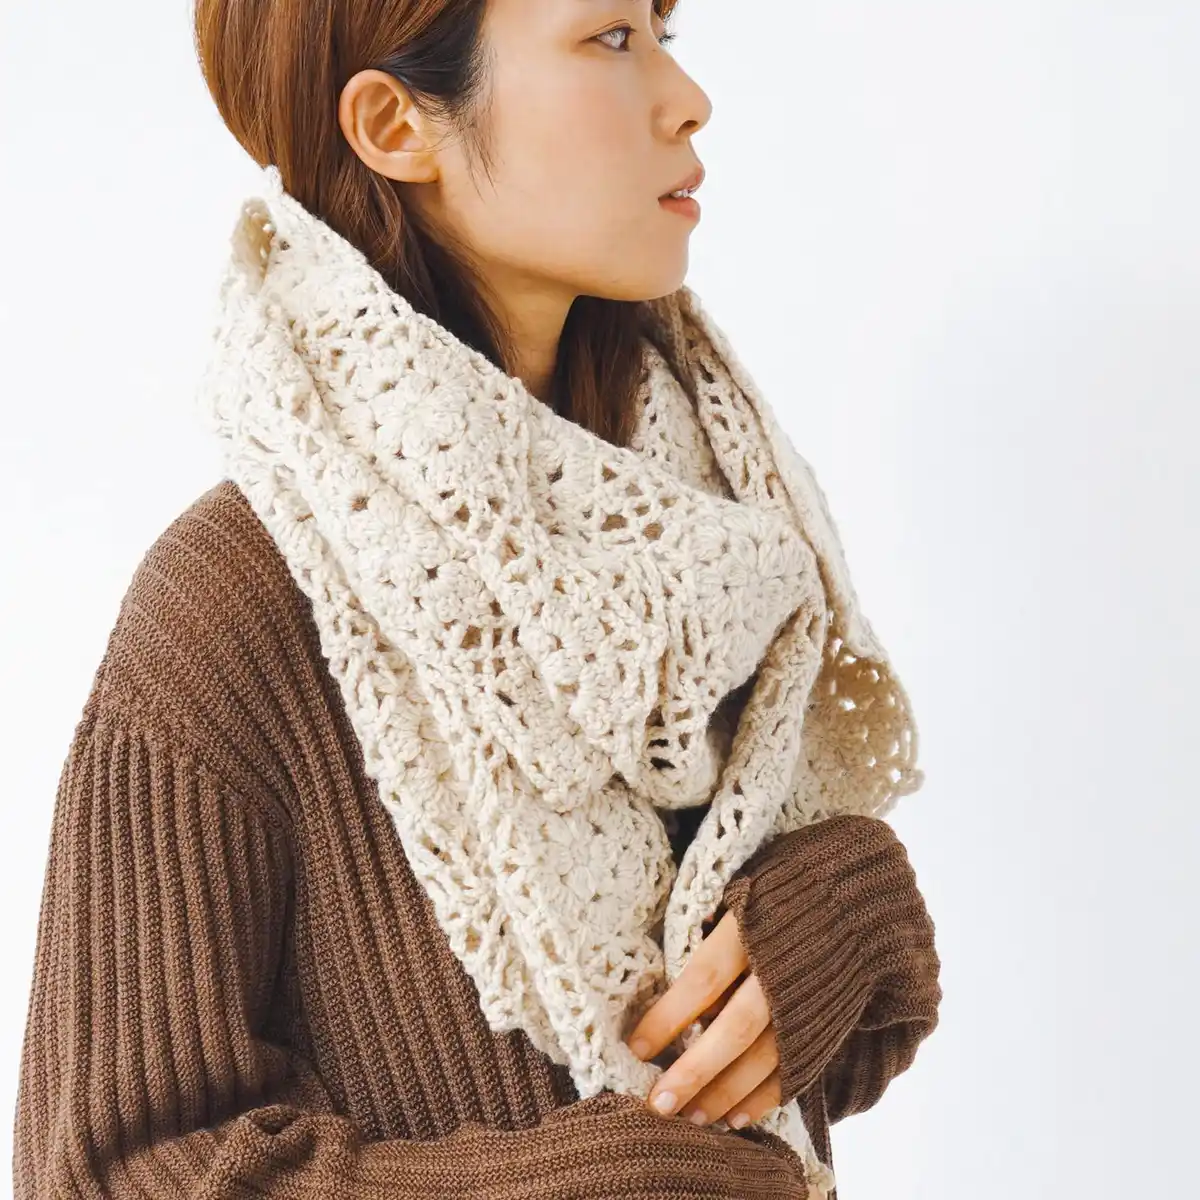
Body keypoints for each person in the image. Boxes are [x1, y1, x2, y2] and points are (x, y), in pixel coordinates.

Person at [11, 2, 943, 1197]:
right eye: (610, 40)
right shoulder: (240, 600)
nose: (686, 100)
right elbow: (104, 1169)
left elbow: (733, 1098)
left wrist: (853, 920)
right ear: (397, 125)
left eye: (663, 32)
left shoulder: (713, 538)